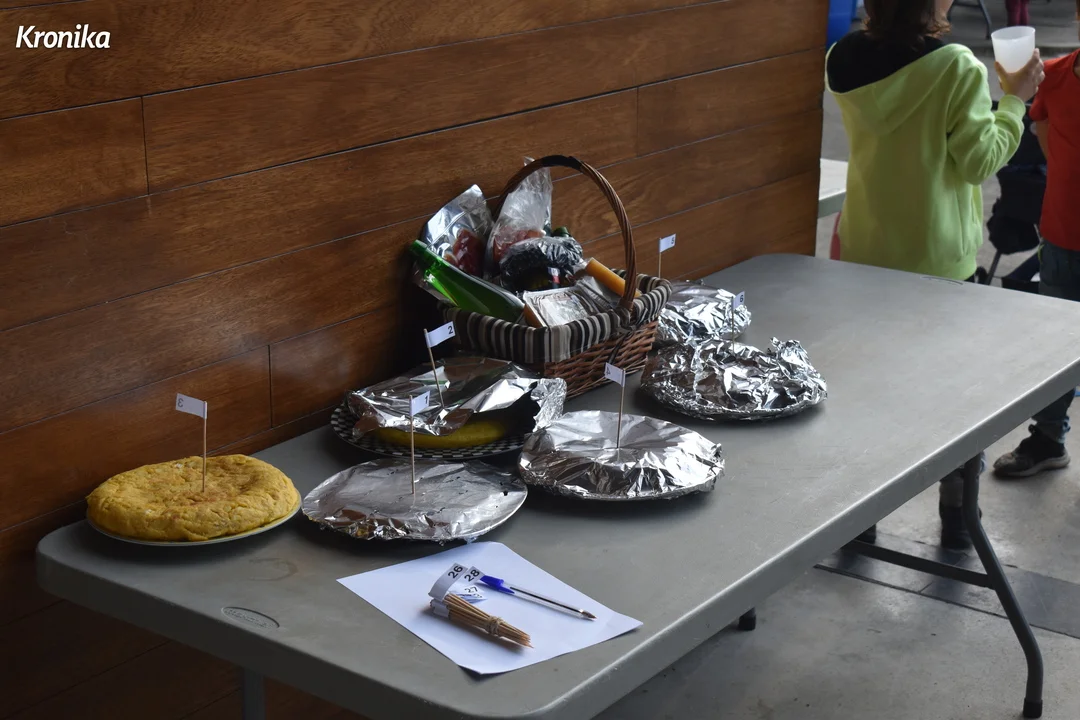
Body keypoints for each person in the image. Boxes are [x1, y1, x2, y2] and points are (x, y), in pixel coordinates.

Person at [827, 0, 1044, 547]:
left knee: (868, 388)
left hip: (865, 247)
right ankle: (956, 512)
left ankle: (860, 517)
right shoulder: (956, 66)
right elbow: (978, 162)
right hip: (937, 259)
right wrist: (1014, 100)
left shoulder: (841, 58)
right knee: (954, 395)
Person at [994, 3, 1080, 479]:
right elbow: (1048, 144)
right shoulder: (1055, 76)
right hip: (1063, 236)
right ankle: (1048, 438)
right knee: (1057, 346)